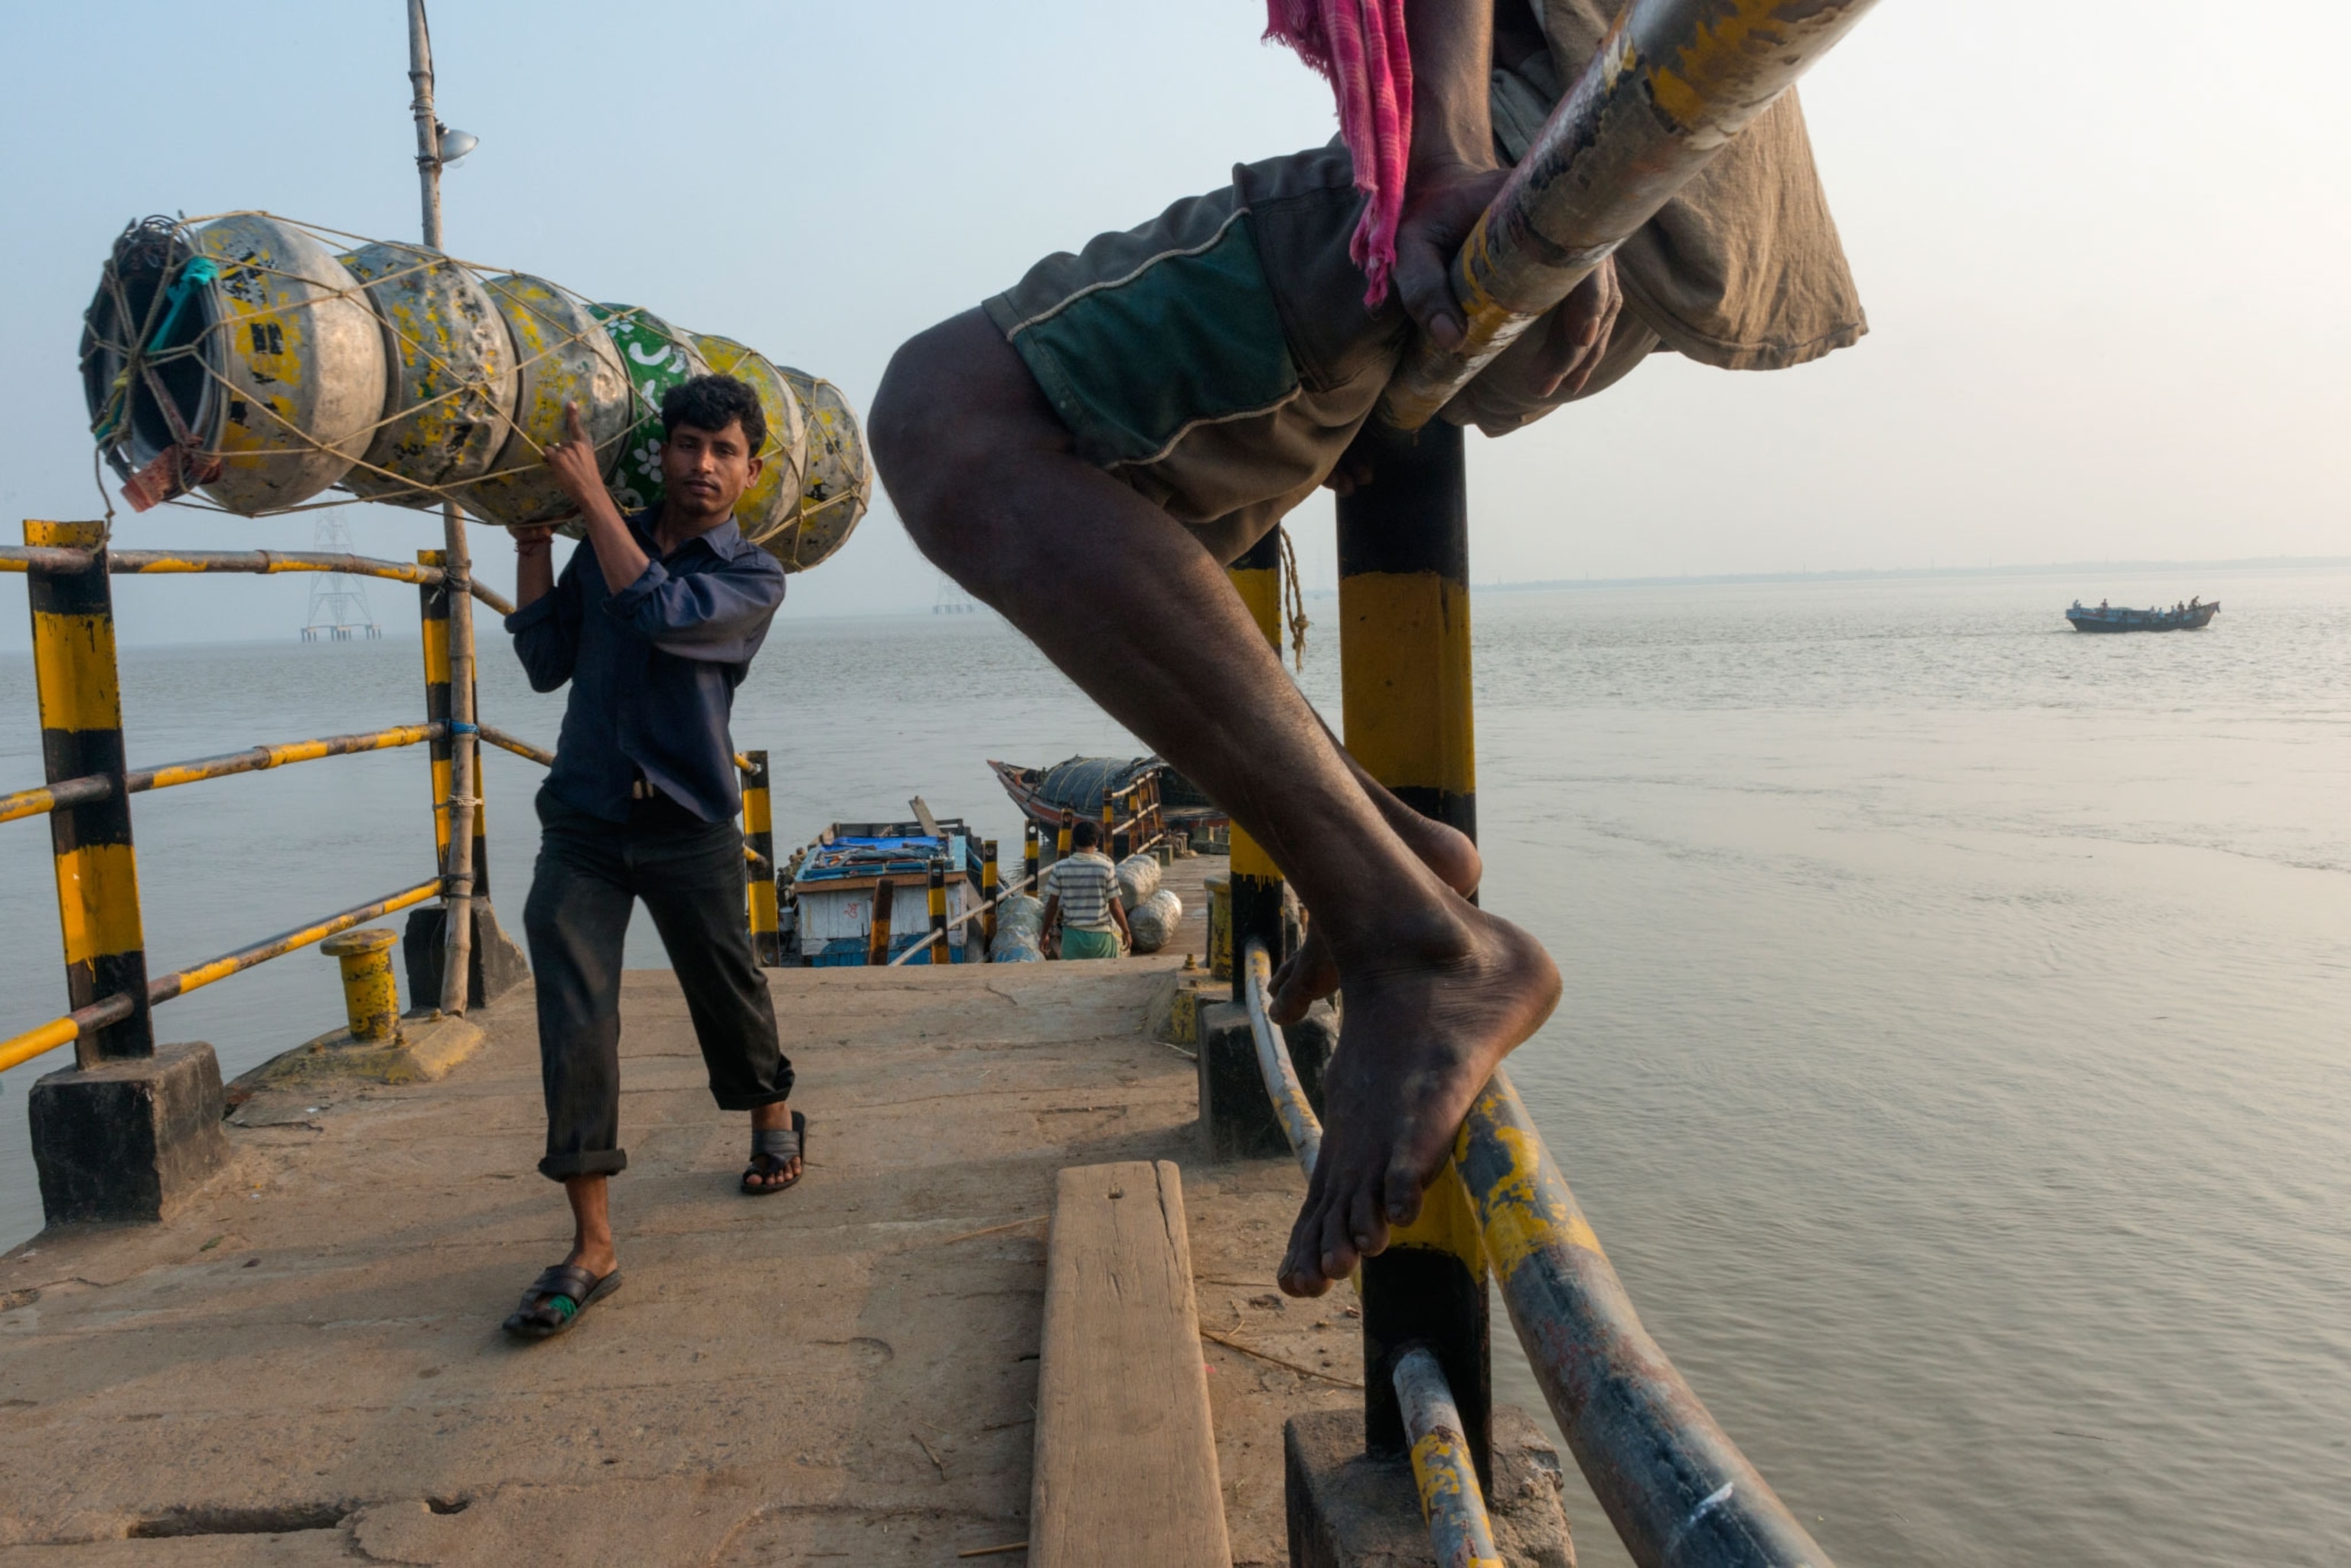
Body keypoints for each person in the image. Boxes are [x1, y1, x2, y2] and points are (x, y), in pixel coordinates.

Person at [870, 2, 1864, 1296]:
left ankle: (1416, 936)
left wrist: (1444, 157)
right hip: (1630, 176)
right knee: (1140, 523)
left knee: (950, 414)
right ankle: (1396, 845)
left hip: (1537, 146)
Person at [497, 375, 801, 1341]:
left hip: (688, 818)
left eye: (723, 452)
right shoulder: (601, 543)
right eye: (686, 445)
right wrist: (539, 549)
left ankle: (770, 1113)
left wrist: (590, 504)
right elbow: (548, 664)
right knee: (575, 1011)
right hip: (584, 817)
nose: (702, 466)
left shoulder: (752, 578)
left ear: (750, 473)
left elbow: (665, 615)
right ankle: (592, 1244)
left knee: (727, 985)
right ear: (661, 453)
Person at [1040, 817, 1135, 960]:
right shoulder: (1106, 867)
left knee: (1073, 979)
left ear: (1074, 841)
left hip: (1072, 938)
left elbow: (1052, 905)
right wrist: (1126, 932)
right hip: (1101, 939)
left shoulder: (1060, 868)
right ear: (1096, 841)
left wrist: (1044, 934)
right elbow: (1115, 906)